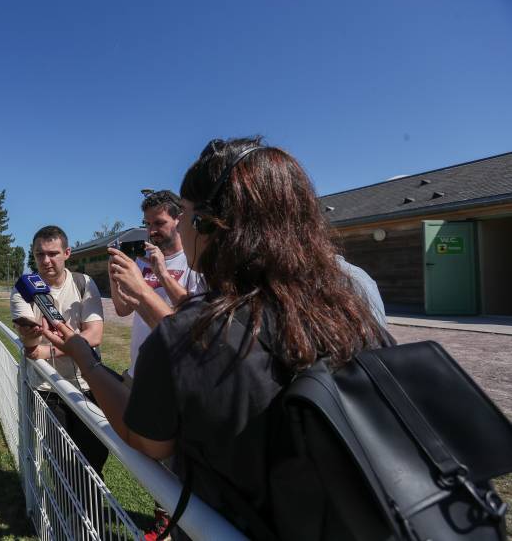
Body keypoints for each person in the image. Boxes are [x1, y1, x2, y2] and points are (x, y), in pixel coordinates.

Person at [37, 138, 388, 540]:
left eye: (184, 214)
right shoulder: (351, 299)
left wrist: (86, 357)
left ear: (209, 225)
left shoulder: (193, 331)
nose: (178, 228)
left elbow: (146, 441)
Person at [9, 225, 108, 477]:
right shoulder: (23, 289)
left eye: (53, 253)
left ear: (67, 253)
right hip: (47, 389)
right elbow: (31, 343)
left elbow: (94, 335)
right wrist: (32, 340)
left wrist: (48, 351)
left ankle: (90, 511)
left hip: (87, 385)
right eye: (39, 254)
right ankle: (67, 515)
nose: (46, 260)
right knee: (61, 463)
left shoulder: (83, 283)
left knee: (95, 456)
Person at [110, 189, 203, 388]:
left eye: (159, 223)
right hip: (138, 370)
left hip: (172, 376)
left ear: (179, 219)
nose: (151, 231)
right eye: (148, 224)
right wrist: (114, 275)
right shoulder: (143, 261)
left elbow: (194, 311)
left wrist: (162, 273)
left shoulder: (192, 260)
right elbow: (122, 309)